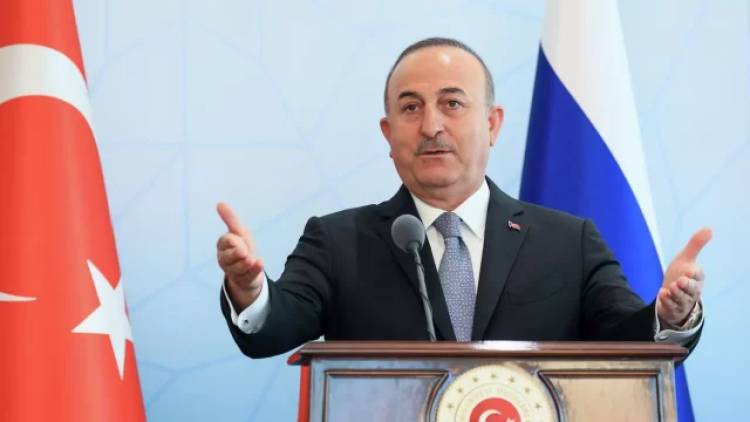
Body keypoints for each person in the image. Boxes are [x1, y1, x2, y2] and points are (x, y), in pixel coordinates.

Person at [217, 38, 709, 359]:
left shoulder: (568, 242)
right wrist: (249, 290)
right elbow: (274, 329)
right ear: (388, 133)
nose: (431, 125)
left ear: (492, 124)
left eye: (452, 103)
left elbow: (627, 341)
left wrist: (671, 317)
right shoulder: (337, 241)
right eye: (411, 108)